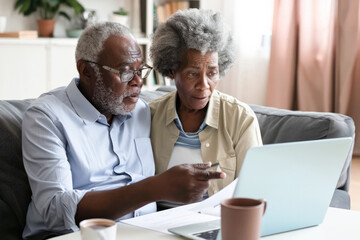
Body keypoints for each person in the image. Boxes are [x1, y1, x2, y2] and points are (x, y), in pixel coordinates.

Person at [22, 22, 225, 239]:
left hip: (144, 232)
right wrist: (156, 187)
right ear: (87, 71)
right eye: (126, 72)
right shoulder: (46, 117)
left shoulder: (141, 111)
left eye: (140, 70)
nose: (137, 82)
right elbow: (54, 210)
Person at [150, 9, 263, 196]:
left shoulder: (240, 118)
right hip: (153, 221)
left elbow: (254, 190)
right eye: (192, 73)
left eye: (212, 73)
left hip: (217, 220)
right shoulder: (150, 115)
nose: (204, 85)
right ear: (172, 71)